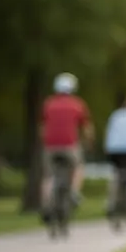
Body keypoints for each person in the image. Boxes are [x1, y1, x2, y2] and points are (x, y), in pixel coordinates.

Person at [40, 73, 93, 218]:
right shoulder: (77, 104)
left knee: (48, 176)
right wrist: (89, 143)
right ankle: (74, 192)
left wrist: (45, 142)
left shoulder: (48, 104)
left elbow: (43, 127)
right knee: (78, 166)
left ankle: (46, 204)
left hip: (50, 146)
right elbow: (86, 128)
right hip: (70, 145)